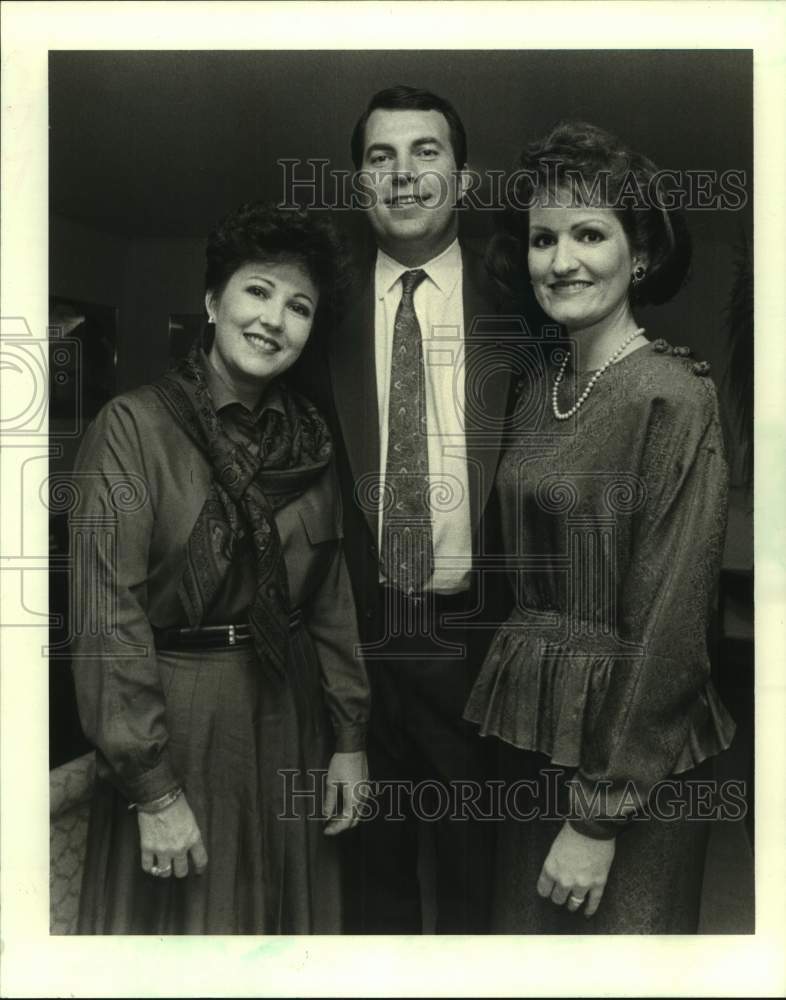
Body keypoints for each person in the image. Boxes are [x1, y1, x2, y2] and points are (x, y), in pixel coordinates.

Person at [464, 121, 737, 933]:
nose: (561, 260)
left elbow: (672, 626)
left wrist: (597, 817)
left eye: (589, 234)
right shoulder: (533, 390)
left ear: (639, 253)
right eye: (543, 238)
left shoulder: (673, 396)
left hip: (629, 757)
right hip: (530, 729)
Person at [71, 202, 369, 935]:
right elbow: (108, 617)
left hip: (290, 713)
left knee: (282, 938)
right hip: (179, 714)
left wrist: (350, 740)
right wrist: (152, 789)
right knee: (190, 936)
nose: (274, 319)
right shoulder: (133, 429)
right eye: (257, 291)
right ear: (212, 301)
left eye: (299, 306)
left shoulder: (311, 441)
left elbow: (330, 602)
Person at [301, 85, 519, 934]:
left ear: (463, 177)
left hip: (478, 639)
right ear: (360, 182)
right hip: (354, 637)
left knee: (476, 876)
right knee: (369, 877)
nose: (402, 174)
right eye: (380, 157)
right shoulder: (321, 310)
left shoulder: (524, 302)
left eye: (426, 152)